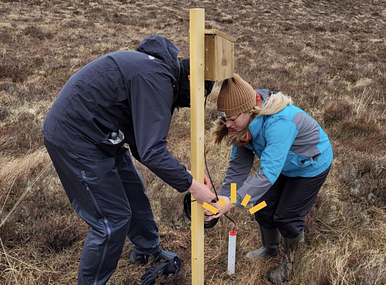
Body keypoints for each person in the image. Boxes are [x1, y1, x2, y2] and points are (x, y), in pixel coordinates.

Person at [42, 35, 217, 285]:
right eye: (200, 95)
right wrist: (193, 186)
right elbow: (151, 151)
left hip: (104, 135)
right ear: (191, 79)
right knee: (112, 219)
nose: (193, 103)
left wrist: (187, 175)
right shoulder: (157, 78)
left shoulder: (156, 71)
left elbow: (140, 144)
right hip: (76, 138)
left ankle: (147, 250)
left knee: (134, 193)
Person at [209, 74, 333, 283]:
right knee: (261, 206)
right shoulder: (243, 125)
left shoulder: (280, 122)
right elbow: (238, 168)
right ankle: (270, 248)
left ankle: (290, 263)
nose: (228, 125)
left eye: (232, 119)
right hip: (283, 166)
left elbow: (268, 173)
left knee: (287, 216)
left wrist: (233, 201)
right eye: (224, 119)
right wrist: (224, 198)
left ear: (249, 109)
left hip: (311, 166)